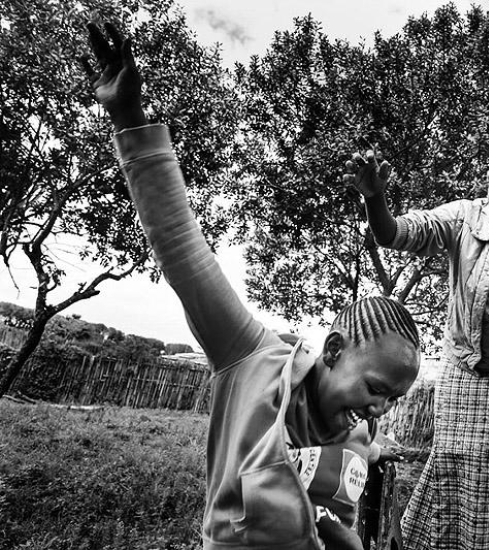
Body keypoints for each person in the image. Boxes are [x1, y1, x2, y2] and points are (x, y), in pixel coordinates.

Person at [81, 23, 421, 550]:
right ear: (333, 349)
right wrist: (130, 120)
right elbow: (183, 250)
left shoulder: (359, 427)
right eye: (377, 390)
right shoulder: (251, 359)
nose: (380, 410)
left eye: (393, 399)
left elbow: (358, 465)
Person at [345, 144, 489, 548]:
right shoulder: (465, 217)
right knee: (447, 456)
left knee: (485, 466)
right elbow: (395, 234)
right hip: (459, 366)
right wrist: (374, 198)